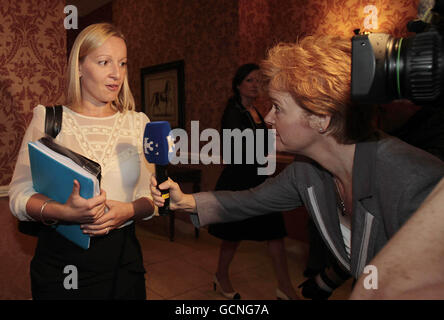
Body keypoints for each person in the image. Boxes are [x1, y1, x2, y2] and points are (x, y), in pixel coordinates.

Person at [150, 35, 444, 299]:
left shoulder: (413, 181)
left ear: (320, 118)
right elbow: (250, 200)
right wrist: (184, 201)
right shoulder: (308, 171)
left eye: (277, 107)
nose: (268, 117)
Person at [9, 23, 156, 300]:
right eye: (104, 62)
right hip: (62, 261)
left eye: (122, 63)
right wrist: (65, 213)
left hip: (123, 260)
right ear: (78, 67)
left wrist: (128, 210)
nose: (116, 74)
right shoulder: (49, 119)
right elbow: (19, 196)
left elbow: (148, 198)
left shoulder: (139, 124)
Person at [208, 63, 298, 300]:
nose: (255, 84)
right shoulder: (233, 112)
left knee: (275, 232)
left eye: (258, 80)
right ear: (238, 85)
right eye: (250, 80)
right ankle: (221, 275)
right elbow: (236, 150)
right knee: (233, 235)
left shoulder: (258, 111)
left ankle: (285, 287)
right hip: (240, 181)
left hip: (260, 179)